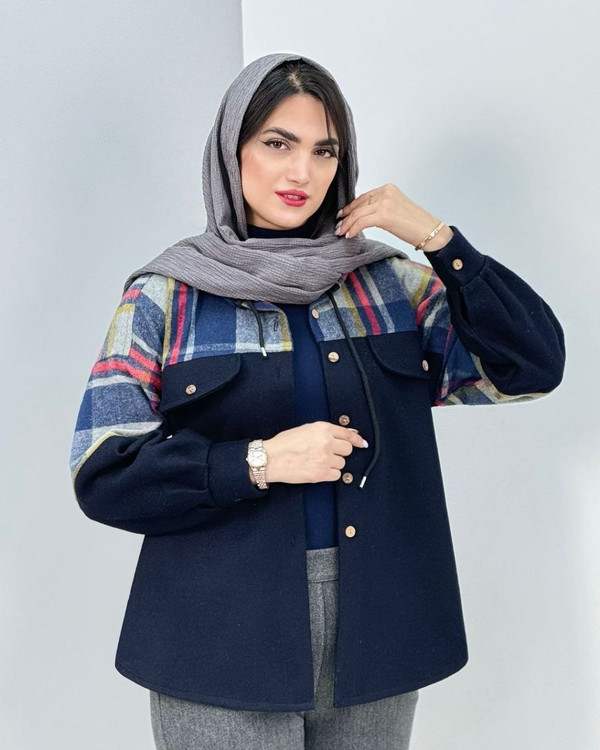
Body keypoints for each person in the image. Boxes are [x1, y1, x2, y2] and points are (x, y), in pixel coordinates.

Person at [69, 52, 566, 749]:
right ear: (232, 151)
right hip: (217, 641)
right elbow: (104, 473)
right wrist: (258, 462)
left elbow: (533, 365)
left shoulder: (389, 285)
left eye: (323, 150)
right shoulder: (167, 297)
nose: (301, 172)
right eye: (278, 144)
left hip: (377, 630)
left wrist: (439, 240)